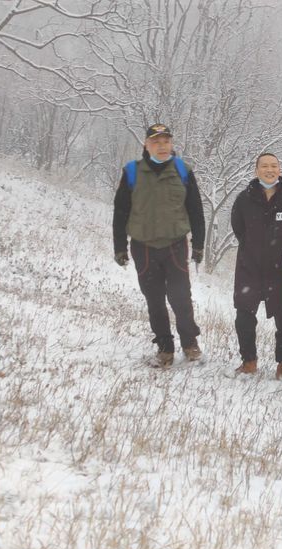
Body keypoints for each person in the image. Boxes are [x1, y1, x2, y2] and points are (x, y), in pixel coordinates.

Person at [112, 123, 206, 367]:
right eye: (156, 142)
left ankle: (190, 343)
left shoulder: (183, 171)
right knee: (154, 300)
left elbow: (195, 209)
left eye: (166, 141)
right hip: (143, 247)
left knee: (181, 297)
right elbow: (120, 211)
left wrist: (198, 244)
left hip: (175, 245)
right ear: (146, 145)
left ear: (171, 144)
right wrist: (119, 247)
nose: (162, 146)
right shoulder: (132, 172)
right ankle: (165, 347)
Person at [230, 153, 282, 379]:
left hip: (280, 269)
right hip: (249, 266)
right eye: (264, 166)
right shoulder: (244, 199)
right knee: (244, 315)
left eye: (273, 166)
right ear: (256, 171)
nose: (269, 170)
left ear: (280, 170)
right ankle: (249, 361)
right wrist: (255, 248)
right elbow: (238, 228)